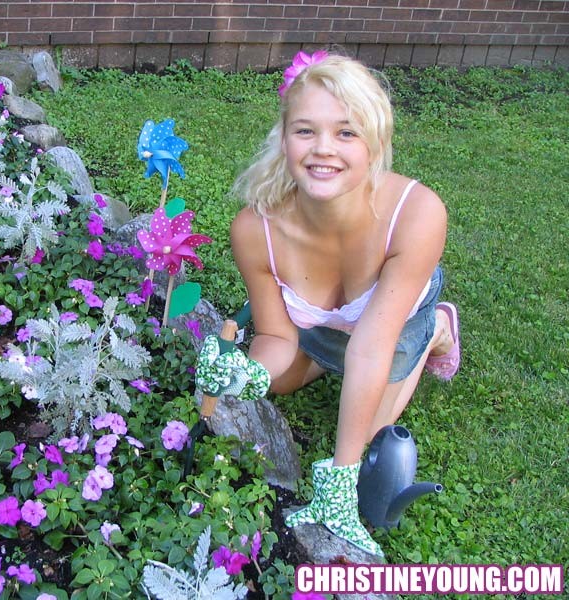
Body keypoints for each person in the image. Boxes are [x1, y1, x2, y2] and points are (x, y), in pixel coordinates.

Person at [195, 50, 461, 557]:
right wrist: (243, 376)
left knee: (371, 425)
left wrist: (342, 476)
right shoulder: (255, 232)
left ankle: (436, 331)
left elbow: (370, 346)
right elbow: (274, 336)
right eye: (305, 131)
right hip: (324, 323)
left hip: (390, 322)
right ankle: (341, 356)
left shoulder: (417, 214)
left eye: (346, 132)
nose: (323, 150)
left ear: (375, 141)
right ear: (284, 136)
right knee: (283, 380)